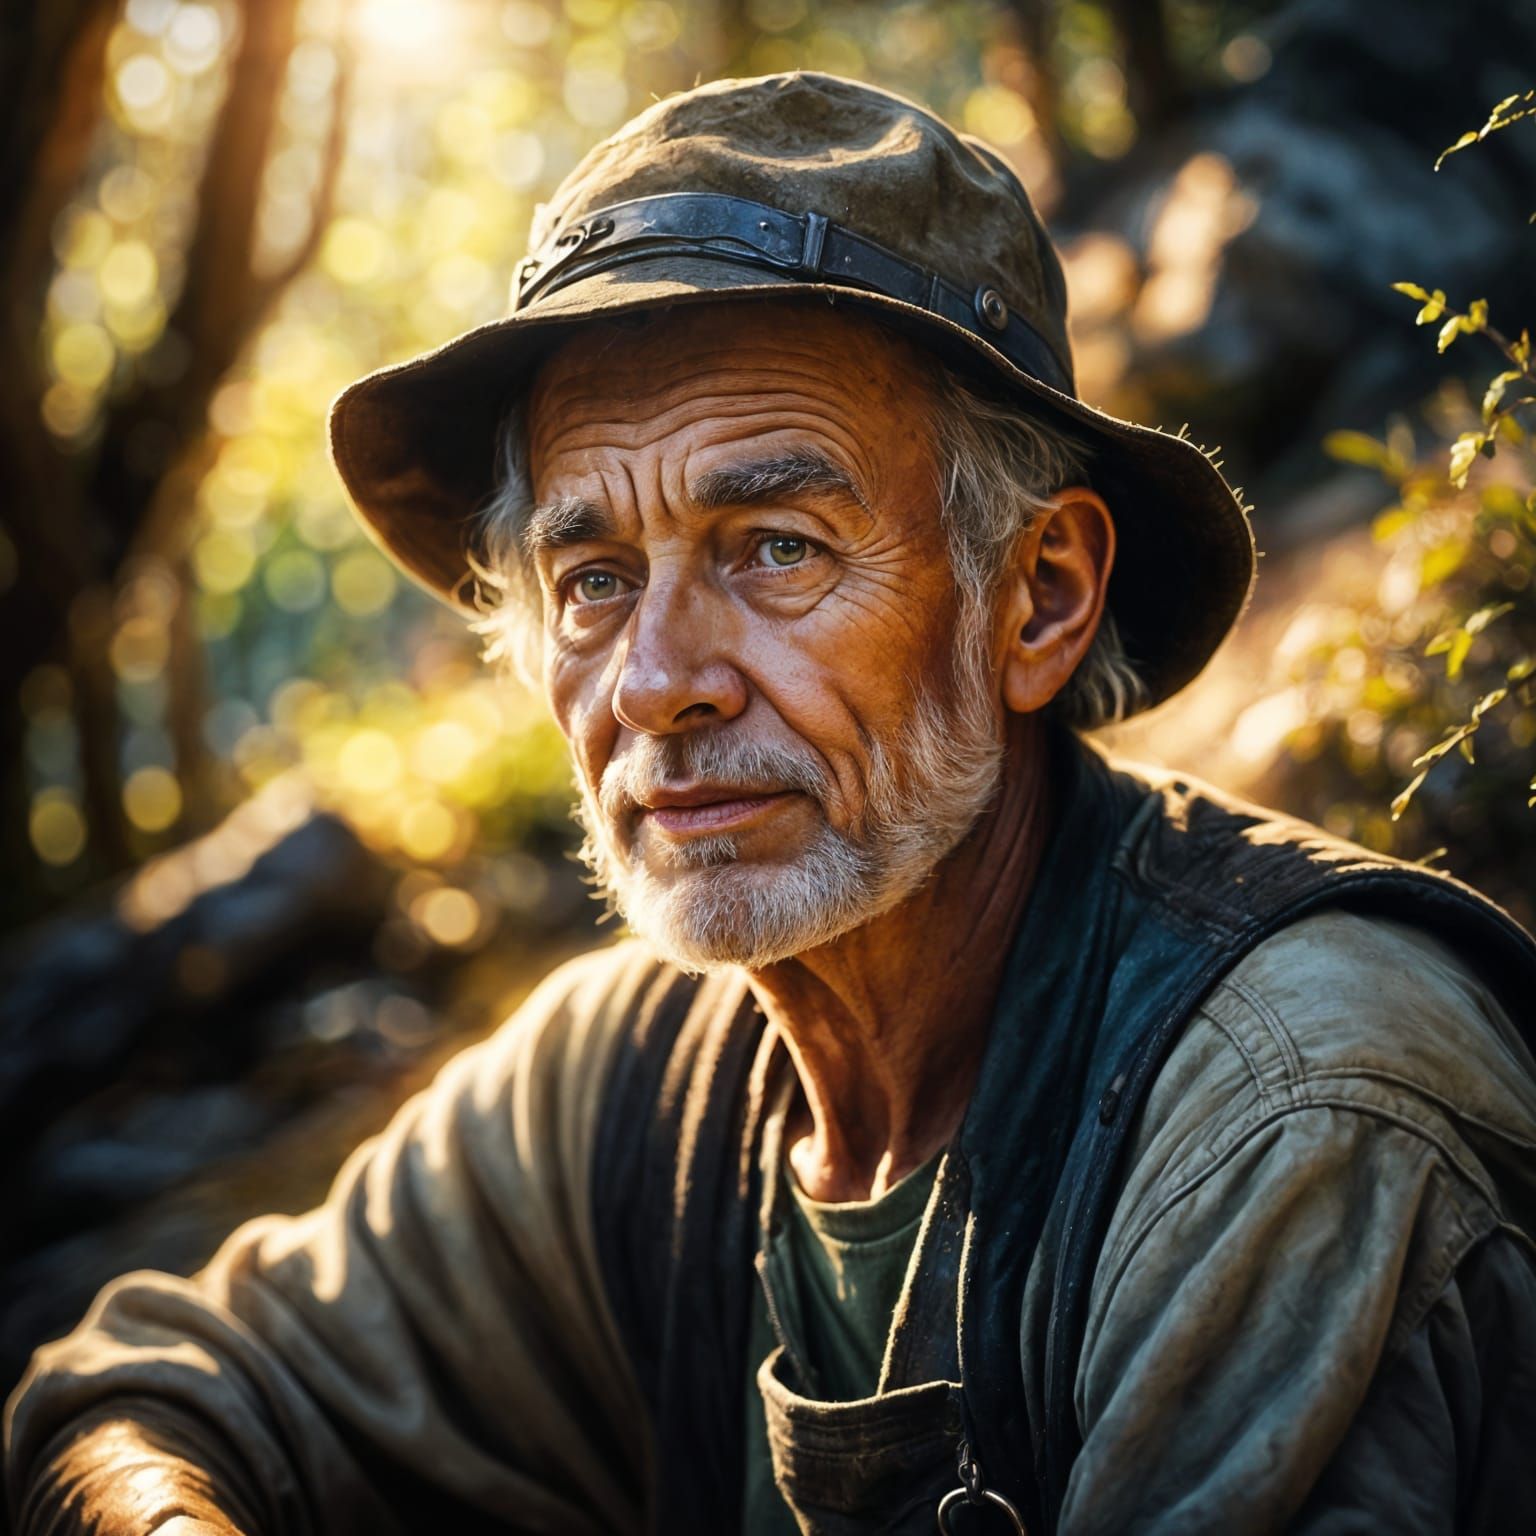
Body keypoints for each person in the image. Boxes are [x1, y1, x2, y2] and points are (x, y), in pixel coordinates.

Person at [8, 72, 1536, 1536]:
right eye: (593, 579)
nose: (657, 682)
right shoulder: (639, 1081)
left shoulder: (1295, 1115)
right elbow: (145, 1391)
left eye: (777, 547)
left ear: (1039, 597)